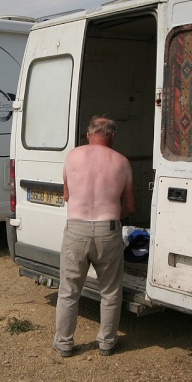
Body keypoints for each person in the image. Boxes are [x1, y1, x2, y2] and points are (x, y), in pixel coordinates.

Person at [53, 115, 136, 357]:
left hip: (76, 228)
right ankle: (107, 343)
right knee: (110, 291)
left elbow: (67, 195)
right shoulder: (122, 162)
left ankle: (65, 343)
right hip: (107, 229)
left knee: (69, 290)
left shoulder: (73, 156)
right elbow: (130, 204)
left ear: (88, 135)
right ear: (112, 136)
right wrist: (109, 219)